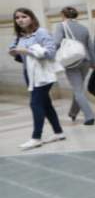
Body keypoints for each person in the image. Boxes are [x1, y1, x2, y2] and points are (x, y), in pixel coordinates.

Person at [9, 8, 66, 149]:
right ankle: (59, 132)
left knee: (35, 104)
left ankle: (36, 137)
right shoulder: (20, 36)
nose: (20, 20)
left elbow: (51, 53)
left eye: (24, 16)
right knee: (45, 104)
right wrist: (14, 51)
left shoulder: (41, 32)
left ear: (32, 18)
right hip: (29, 74)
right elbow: (15, 51)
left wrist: (27, 51)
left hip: (43, 75)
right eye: (17, 18)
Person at [54, 6, 95, 125]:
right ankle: (73, 112)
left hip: (71, 61)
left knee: (78, 90)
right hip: (85, 60)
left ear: (63, 15)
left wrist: (50, 54)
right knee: (78, 88)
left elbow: (56, 42)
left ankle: (89, 116)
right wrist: (94, 63)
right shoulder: (83, 28)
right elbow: (90, 46)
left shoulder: (61, 26)